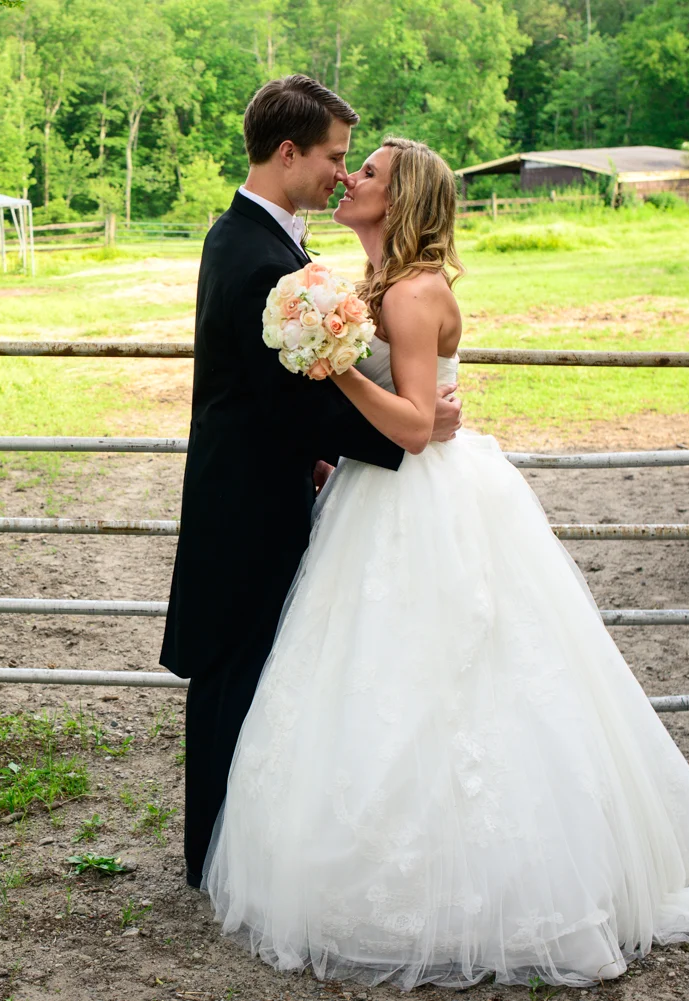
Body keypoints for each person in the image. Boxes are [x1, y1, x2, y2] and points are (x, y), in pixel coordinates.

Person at [201, 136, 689, 989]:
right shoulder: (372, 287)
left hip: (423, 501)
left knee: (457, 678)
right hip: (370, 499)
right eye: (351, 166)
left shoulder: (416, 292)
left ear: (403, 201)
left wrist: (339, 364)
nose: (351, 179)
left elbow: (418, 424)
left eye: (371, 173)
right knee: (367, 678)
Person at [159, 76, 462, 890]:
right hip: (248, 503)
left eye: (353, 164)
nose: (340, 173)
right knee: (236, 674)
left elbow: (302, 386)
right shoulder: (257, 253)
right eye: (334, 157)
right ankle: (217, 860)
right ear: (287, 152)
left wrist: (356, 435)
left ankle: (236, 854)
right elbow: (285, 393)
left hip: (273, 487)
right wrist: (412, 426)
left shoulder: (265, 241)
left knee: (271, 674)